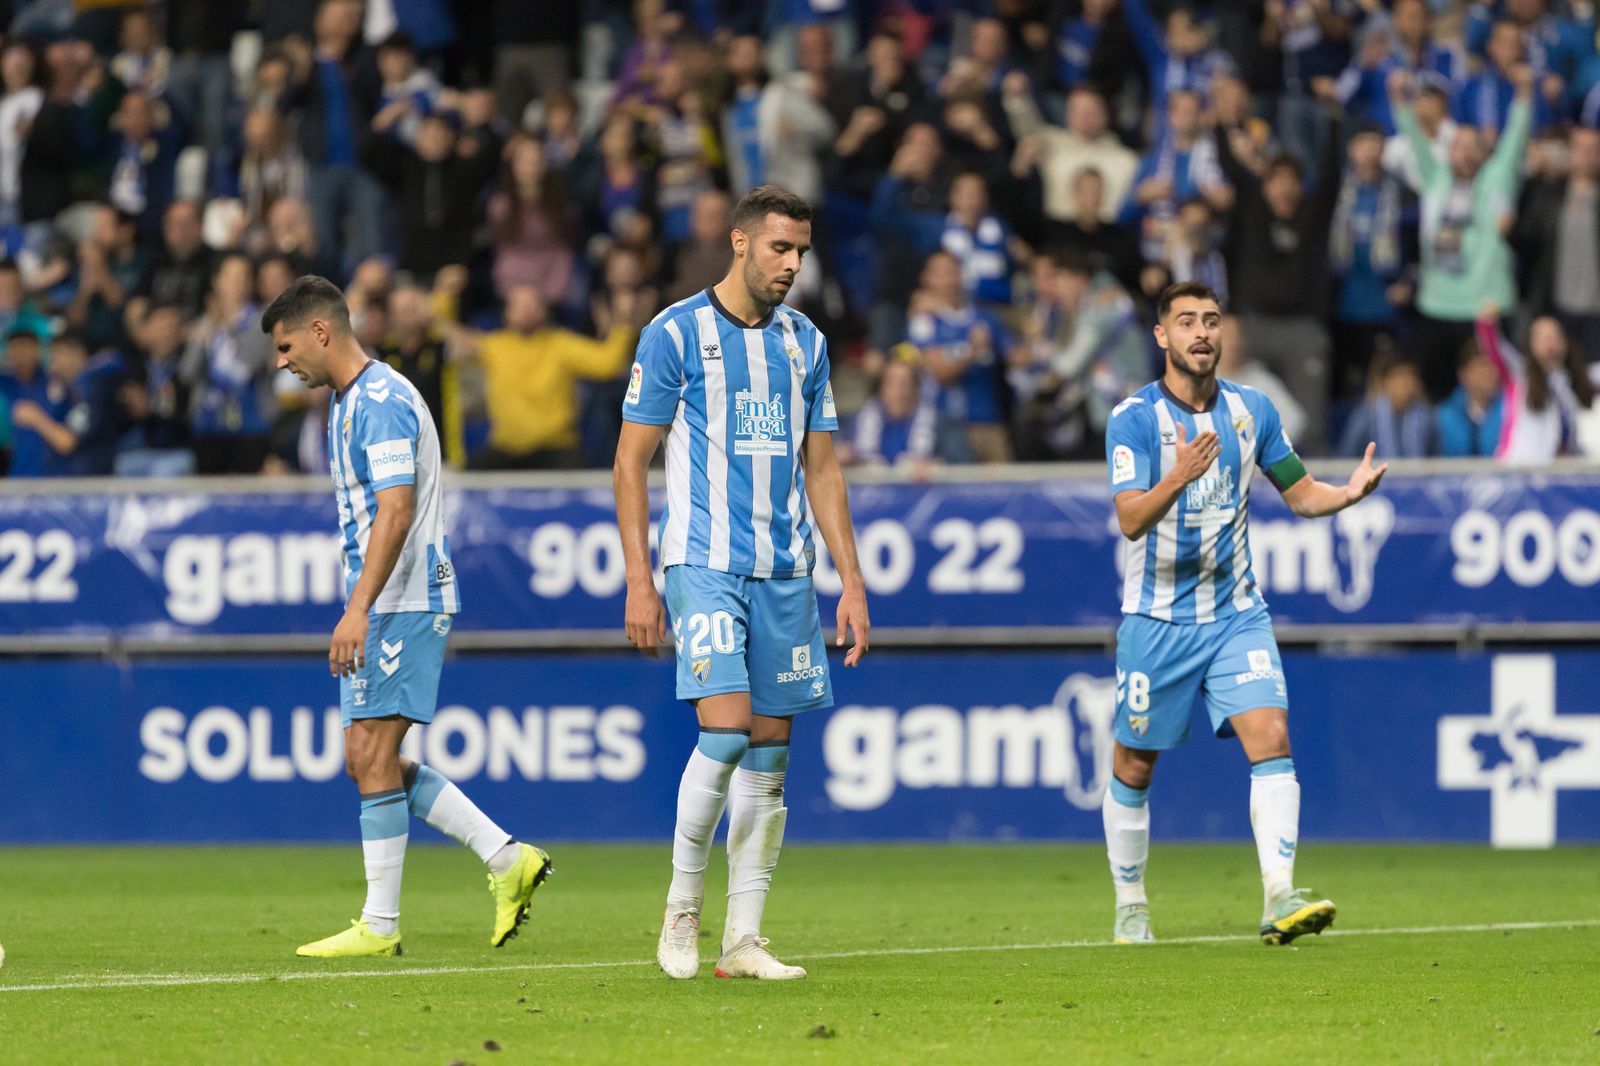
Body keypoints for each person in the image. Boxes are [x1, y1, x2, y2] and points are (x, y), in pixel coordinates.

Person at [613, 185, 870, 981]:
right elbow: (630, 461)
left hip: (786, 572)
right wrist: (639, 580)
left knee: (770, 755)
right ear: (740, 244)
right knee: (724, 733)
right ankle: (683, 910)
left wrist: (851, 582)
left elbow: (821, 468)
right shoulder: (676, 334)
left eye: (800, 251)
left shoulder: (805, 344)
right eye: (779, 249)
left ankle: (744, 939)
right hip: (704, 563)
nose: (792, 265)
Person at [263, 275, 551, 959]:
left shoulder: (382, 402)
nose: (281, 361)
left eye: (284, 344)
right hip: (388, 599)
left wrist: (356, 609)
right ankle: (506, 858)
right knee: (368, 761)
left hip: (403, 598)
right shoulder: (347, 403)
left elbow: (395, 511)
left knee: (369, 755)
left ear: (321, 331)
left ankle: (382, 924)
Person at [1101, 281, 1388, 947]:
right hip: (1157, 621)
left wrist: (1345, 494)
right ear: (1162, 336)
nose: (1201, 333)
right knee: (1135, 764)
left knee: (1272, 736)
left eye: (1211, 321)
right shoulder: (1135, 418)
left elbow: (1300, 492)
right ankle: (1130, 902)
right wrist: (1177, 475)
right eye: (1187, 322)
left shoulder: (1252, 411)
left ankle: (1279, 895)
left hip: (1236, 613)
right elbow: (1130, 520)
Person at [1475, 307, 1595, 462]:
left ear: (1565, 343)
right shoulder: (1519, 375)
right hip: (1521, 470)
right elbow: (1494, 349)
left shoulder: (1576, 380)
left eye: (1555, 336)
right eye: (1543, 338)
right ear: (1531, 345)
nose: (1551, 344)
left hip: (1562, 473)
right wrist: (1487, 324)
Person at [1434, 335, 1505, 457]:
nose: (1489, 372)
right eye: (1482, 365)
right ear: (1463, 374)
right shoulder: (1444, 416)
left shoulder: (1510, 412)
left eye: (1493, 365)